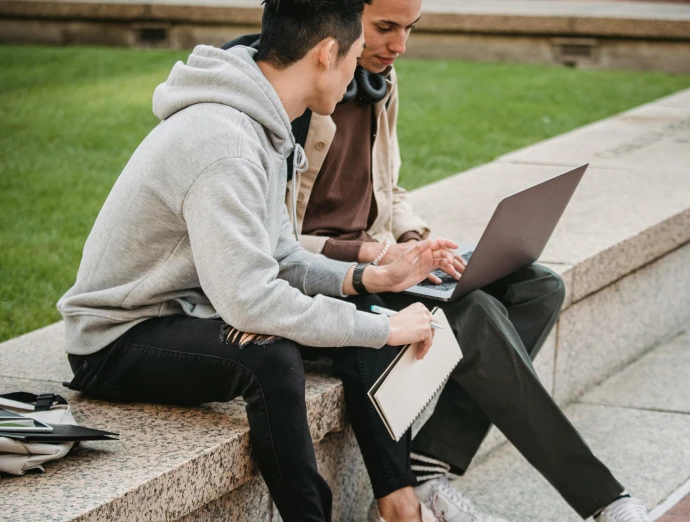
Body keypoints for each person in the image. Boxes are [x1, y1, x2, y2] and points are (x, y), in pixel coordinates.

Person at [57, 1, 463, 521]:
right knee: (269, 354)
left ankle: (399, 503)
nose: (354, 77)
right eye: (355, 57)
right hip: (117, 338)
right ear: (327, 53)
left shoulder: (265, 124)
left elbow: (282, 256)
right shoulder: (223, 143)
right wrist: (382, 330)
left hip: (189, 312)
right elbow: (250, 299)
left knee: (367, 317)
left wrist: (372, 278)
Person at [271, 0, 653, 520]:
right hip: (329, 277)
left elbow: (389, 187)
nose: (399, 45)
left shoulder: (381, 80)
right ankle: (606, 501)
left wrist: (420, 240)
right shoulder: (293, 89)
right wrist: (380, 253)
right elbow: (276, 244)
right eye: (385, 28)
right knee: (475, 315)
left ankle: (430, 464)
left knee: (538, 287)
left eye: (410, 29)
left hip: (388, 259)